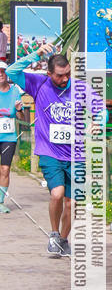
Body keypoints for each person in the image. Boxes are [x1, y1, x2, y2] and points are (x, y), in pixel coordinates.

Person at [6, 44, 104, 256]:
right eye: (60, 75)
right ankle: (53, 233)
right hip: (49, 152)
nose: (65, 79)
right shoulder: (38, 84)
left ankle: (63, 239)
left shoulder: (80, 88)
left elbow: (101, 109)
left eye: (68, 73)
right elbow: (11, 72)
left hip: (76, 155)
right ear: (49, 73)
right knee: (57, 194)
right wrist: (37, 54)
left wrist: (98, 122)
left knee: (73, 203)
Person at [0, 61, 24, 213]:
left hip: (8, 137)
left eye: (2, 71)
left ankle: (0, 201)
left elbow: (23, 118)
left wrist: (20, 110)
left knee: (5, 169)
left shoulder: (15, 91)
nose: (0, 74)